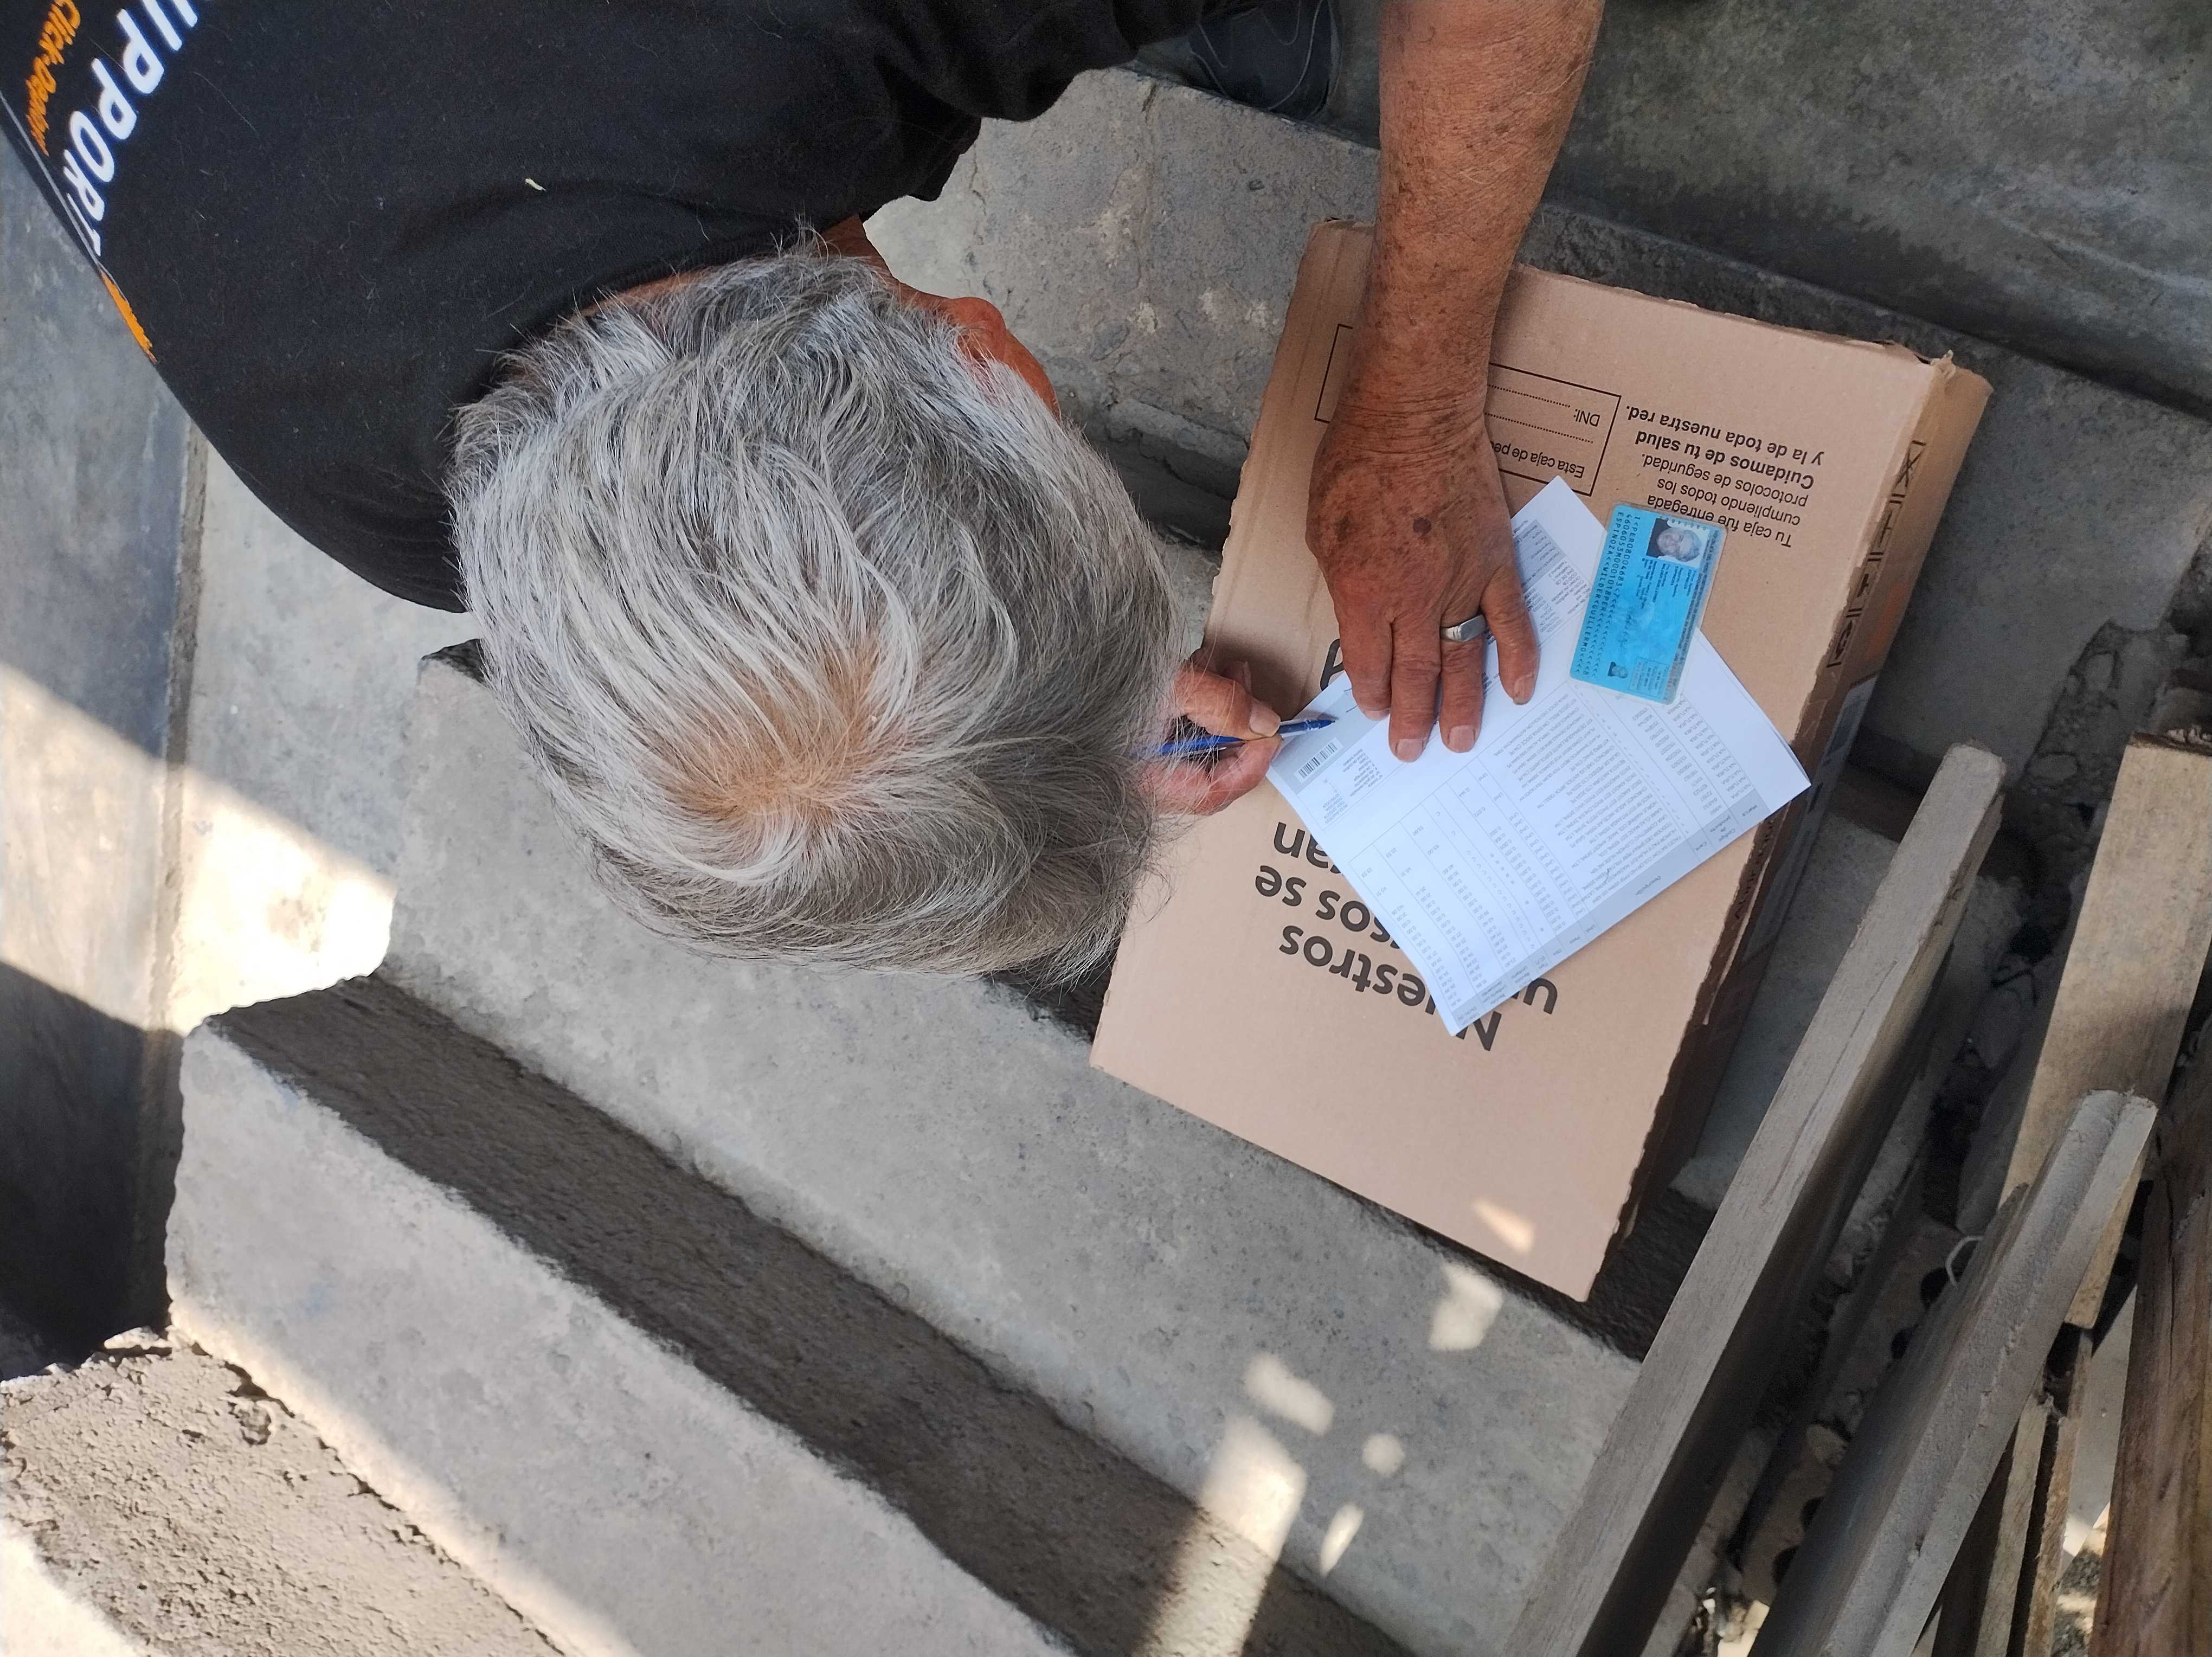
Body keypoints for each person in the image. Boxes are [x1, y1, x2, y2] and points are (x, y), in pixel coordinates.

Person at [4, 0, 1603, 976]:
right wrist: (1035, 720)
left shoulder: (766, 34)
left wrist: (1410, 409)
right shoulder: (413, 503)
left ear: (987, 355)